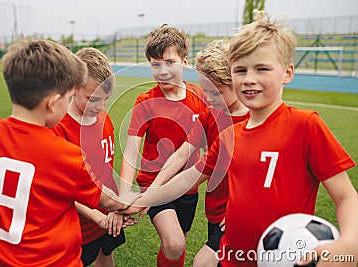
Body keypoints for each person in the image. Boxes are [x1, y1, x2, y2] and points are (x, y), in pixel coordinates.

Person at [125, 11, 358, 267]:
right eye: (240, 70)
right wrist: (140, 200)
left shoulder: (305, 125)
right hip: (233, 254)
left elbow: (347, 196)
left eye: (262, 69)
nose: (249, 79)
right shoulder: (229, 135)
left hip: (286, 256)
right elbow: (189, 175)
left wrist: (348, 244)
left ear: (287, 73)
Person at [0, 39, 138, 267]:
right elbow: (111, 202)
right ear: (54, 102)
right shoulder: (63, 154)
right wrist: (147, 199)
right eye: (68, 94)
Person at [149, 39, 249, 267]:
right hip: (216, 211)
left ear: (235, 81)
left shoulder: (255, 120)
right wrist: (153, 191)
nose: (210, 99)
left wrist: (244, 210)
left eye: (216, 92)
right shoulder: (209, 115)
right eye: (206, 91)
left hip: (240, 216)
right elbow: (182, 155)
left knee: (203, 262)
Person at [119, 24, 207, 266]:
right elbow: (130, 151)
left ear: (185, 62)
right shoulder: (145, 102)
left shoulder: (200, 98)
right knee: (175, 242)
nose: (162, 71)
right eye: (155, 65)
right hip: (154, 185)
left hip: (188, 188)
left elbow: (212, 148)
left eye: (169, 62)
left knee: (178, 245)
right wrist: (125, 194)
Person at [53, 47, 134, 267]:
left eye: (105, 100)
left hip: (107, 218)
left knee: (105, 256)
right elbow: (61, 188)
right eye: (92, 99)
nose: (99, 106)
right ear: (73, 88)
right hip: (75, 225)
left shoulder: (103, 117)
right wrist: (96, 216)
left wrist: (115, 209)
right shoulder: (59, 129)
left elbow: (107, 172)